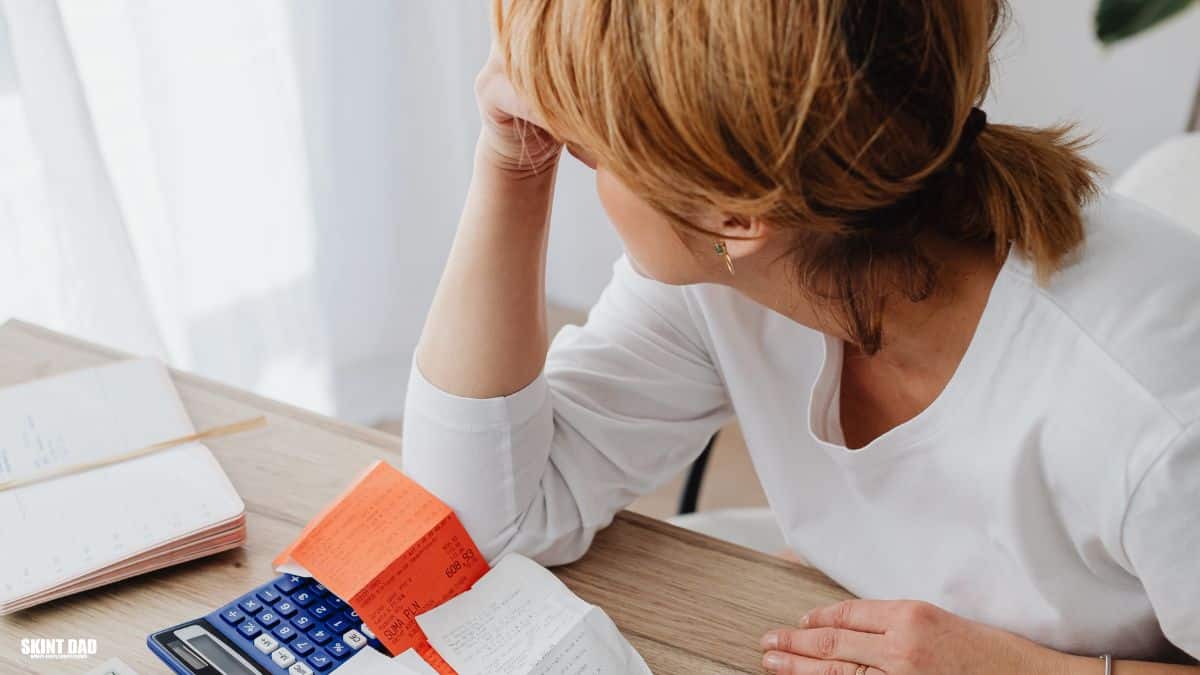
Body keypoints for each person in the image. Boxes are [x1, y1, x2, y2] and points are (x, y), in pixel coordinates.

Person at [402, 1, 1200, 672]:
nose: (577, 165)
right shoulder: (734, 274)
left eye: (587, 149)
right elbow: (474, 522)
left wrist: (1020, 669)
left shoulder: (1150, 412)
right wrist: (511, 163)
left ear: (735, 213)